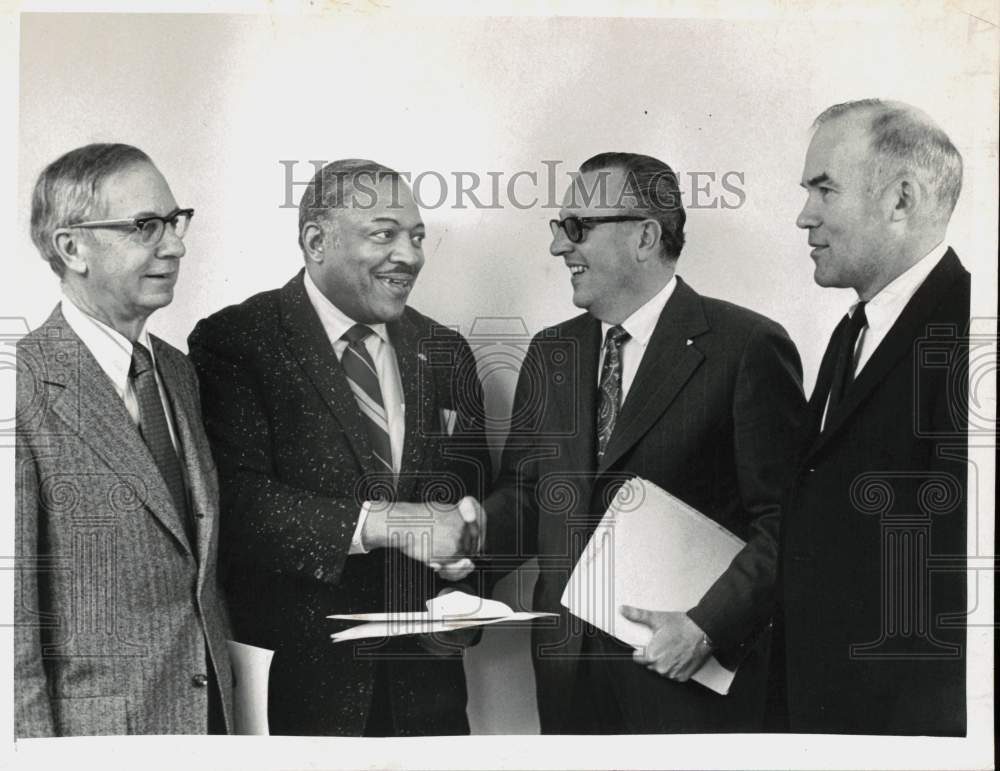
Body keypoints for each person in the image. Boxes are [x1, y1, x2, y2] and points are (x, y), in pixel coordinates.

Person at [484, 152, 808, 733]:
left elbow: (791, 521)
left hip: (690, 686)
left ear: (645, 235)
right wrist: (466, 538)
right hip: (567, 681)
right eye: (559, 229)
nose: (559, 247)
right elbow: (528, 500)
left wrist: (708, 627)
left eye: (577, 227)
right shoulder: (550, 351)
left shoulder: (748, 346)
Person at [187, 159, 491, 736]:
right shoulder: (237, 342)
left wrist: (465, 589)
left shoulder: (444, 350)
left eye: (418, 237)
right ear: (315, 240)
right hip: (298, 696)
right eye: (385, 233)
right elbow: (234, 504)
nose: (410, 255)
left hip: (427, 700)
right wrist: (388, 523)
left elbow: (475, 501)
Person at [15, 143, 233, 736]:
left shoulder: (179, 373)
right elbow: (11, 640)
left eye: (174, 221)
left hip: (210, 729)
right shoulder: (20, 389)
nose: (175, 245)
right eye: (145, 226)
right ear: (71, 247)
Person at [778, 99, 969, 735]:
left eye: (823, 189)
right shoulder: (852, 331)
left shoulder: (974, 336)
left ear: (901, 199)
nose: (804, 215)